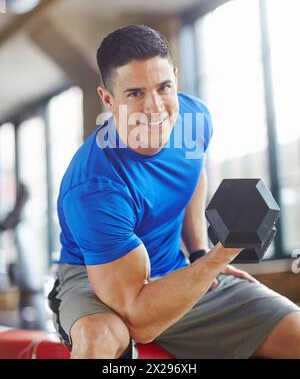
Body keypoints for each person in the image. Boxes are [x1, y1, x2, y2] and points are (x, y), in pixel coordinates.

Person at [48, 24, 300, 359]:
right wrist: (221, 255)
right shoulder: (94, 187)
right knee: (101, 339)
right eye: (135, 94)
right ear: (108, 99)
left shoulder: (194, 119)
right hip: (100, 280)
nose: (155, 108)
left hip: (176, 268)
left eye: (163, 87)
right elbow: (140, 319)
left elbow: (192, 175)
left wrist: (198, 253)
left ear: (176, 79)